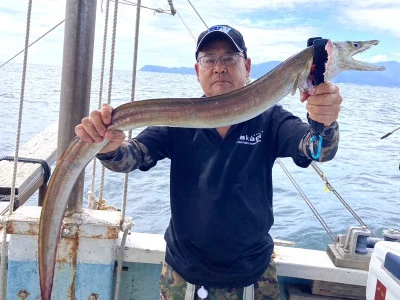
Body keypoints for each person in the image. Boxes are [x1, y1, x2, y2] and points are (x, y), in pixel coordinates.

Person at [76, 25, 342, 300]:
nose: (219, 67)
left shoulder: (270, 118)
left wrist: (325, 122)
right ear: (198, 70)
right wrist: (108, 147)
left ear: (247, 66)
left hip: (253, 277)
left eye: (229, 58)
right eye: (209, 59)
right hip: (182, 276)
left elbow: (317, 150)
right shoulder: (179, 117)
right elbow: (130, 157)